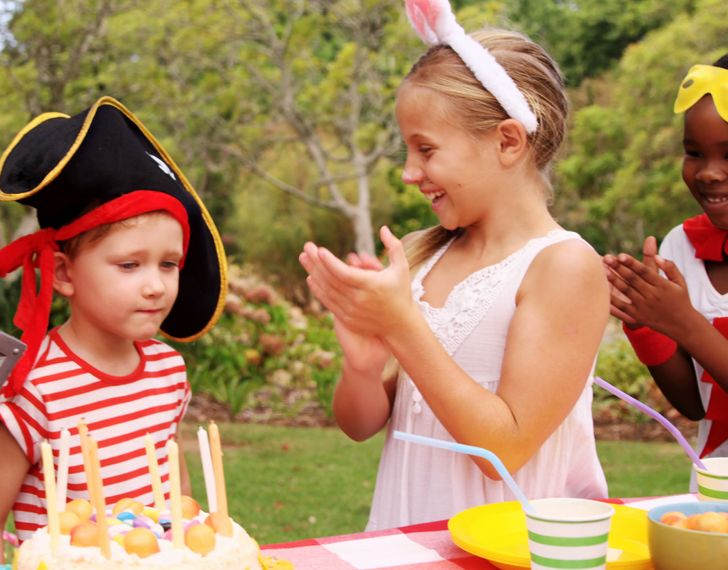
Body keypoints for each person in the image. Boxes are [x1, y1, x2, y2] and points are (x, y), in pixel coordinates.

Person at [299, 0, 609, 530]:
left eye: (426, 149)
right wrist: (363, 365)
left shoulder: (563, 267)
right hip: (405, 539)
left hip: (504, 546)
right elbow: (360, 424)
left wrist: (403, 325)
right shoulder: (428, 252)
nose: (408, 172)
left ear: (507, 141)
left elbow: (503, 449)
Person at [0, 96, 227, 569]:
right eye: (129, 264)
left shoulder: (168, 370)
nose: (155, 285)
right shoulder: (35, 388)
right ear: (63, 274)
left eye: (169, 264)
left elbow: (176, 489)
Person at [603, 54, 728, 463]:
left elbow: (691, 330)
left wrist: (685, 324)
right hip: (712, 496)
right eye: (694, 152)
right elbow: (695, 406)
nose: (708, 172)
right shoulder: (681, 248)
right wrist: (643, 322)